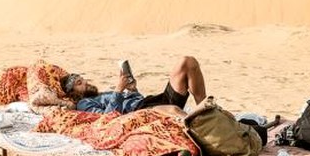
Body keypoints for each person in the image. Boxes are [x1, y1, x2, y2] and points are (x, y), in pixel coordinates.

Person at [61, 56, 208, 115]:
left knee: (187, 62)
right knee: (173, 110)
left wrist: (132, 90)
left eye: (83, 79)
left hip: (150, 101)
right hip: (139, 114)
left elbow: (134, 100)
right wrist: (118, 90)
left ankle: (206, 111)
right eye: (79, 83)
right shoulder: (83, 104)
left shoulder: (102, 95)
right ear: (74, 93)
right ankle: (203, 132)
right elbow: (108, 119)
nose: (85, 82)